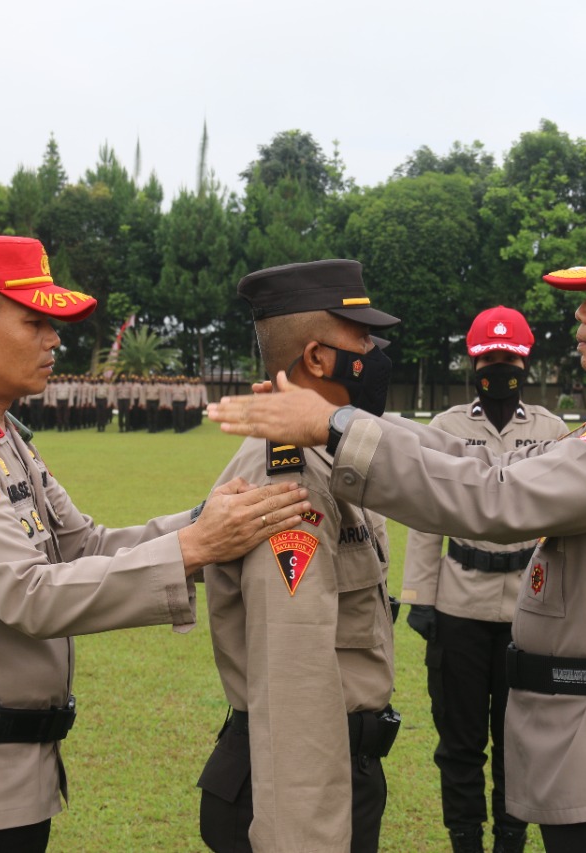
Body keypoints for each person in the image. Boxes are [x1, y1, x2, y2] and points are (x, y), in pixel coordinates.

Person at [209, 223, 586, 853]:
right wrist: (342, 423)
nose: (581, 310)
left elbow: (498, 495)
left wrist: (337, 423)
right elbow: (489, 461)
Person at [0, 233, 311, 853]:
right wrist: (194, 547)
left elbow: (82, 545)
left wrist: (205, 520)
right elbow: (29, 596)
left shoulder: (0, 435)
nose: (54, 339)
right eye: (36, 321)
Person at [197, 259, 400, 853]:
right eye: (361, 338)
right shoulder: (292, 479)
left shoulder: (329, 460)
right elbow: (295, 683)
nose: (375, 350)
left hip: (337, 767)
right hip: (297, 783)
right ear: (317, 358)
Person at [402, 306, 568, 853]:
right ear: (473, 364)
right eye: (489, 358)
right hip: (459, 606)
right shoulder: (446, 429)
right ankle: (466, 840)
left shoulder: (552, 431)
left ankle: (511, 840)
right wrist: (419, 598)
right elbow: (427, 515)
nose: (500, 368)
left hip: (531, 608)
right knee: (461, 739)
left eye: (510, 358)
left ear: (526, 362)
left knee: (520, 740)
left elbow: (569, 523)